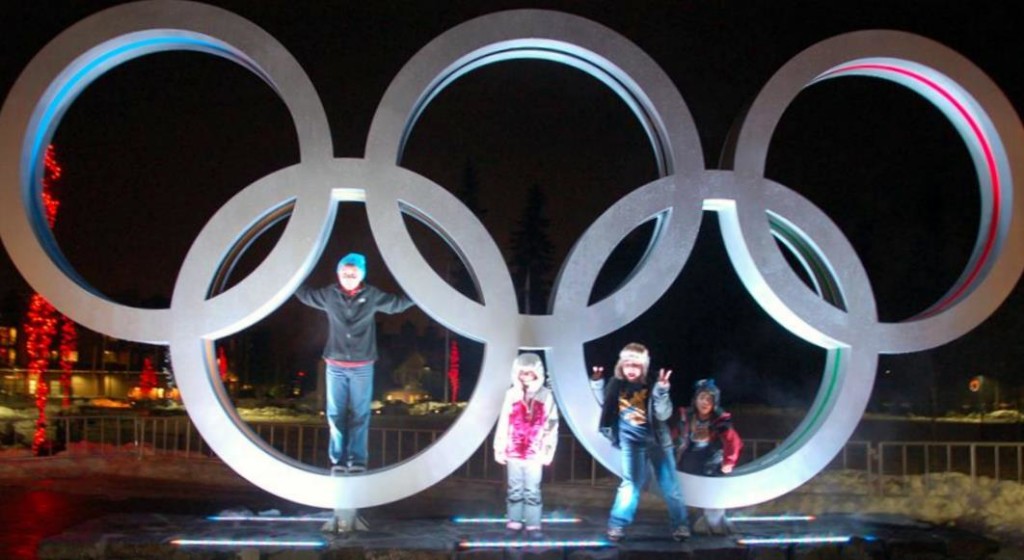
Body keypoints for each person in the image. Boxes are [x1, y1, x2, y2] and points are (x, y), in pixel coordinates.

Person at [295, 252, 415, 473]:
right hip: (335, 365)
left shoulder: (371, 295)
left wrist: (421, 293)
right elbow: (305, 294)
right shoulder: (329, 295)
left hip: (362, 366)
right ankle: (338, 460)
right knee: (335, 414)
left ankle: (357, 460)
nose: (348, 276)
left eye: (353, 273)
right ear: (338, 274)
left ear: (361, 275)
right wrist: (291, 278)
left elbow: (396, 304)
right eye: (345, 273)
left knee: (360, 415)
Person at [590, 343, 690, 542]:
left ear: (643, 366)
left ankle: (680, 524)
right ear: (621, 365)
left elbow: (664, 413)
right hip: (630, 442)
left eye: (636, 364)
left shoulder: (653, 382)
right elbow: (605, 404)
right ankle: (617, 525)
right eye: (627, 363)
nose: (631, 368)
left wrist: (662, 390)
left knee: (669, 486)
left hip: (658, 441)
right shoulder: (616, 384)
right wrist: (597, 383)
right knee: (630, 485)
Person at [493, 352, 559, 538]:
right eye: (522, 373)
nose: (526, 377)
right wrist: (499, 446)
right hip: (513, 450)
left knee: (532, 489)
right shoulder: (511, 394)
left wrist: (548, 450)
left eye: (529, 373)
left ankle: (533, 525)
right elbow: (504, 421)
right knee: (514, 488)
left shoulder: (546, 395)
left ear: (537, 373)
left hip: (535, 452)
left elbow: (552, 424)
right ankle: (514, 522)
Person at [676, 378, 743, 535]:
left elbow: (733, 441)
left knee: (714, 482)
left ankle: (716, 520)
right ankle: (696, 518)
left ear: (714, 402)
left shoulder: (720, 420)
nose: (704, 402)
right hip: (691, 456)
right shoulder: (687, 417)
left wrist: (729, 461)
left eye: (709, 399)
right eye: (702, 398)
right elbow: (675, 436)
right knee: (689, 485)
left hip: (712, 457)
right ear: (695, 400)